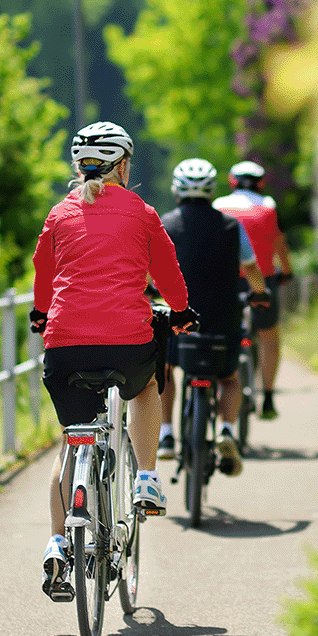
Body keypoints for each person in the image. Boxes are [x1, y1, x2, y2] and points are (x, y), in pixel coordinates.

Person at [31, 121, 197, 602]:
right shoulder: (142, 212)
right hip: (127, 342)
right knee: (147, 387)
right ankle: (146, 477)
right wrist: (182, 311)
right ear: (123, 165)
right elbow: (167, 271)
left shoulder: (59, 214)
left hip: (64, 347)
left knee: (72, 442)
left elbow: (44, 275)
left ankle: (59, 542)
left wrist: (43, 315)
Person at [157, 159, 270, 476]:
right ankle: (226, 430)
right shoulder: (231, 226)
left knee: (165, 370)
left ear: (177, 190)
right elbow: (250, 267)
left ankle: (166, 435)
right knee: (229, 377)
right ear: (211, 191)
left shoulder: (166, 224)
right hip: (223, 316)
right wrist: (261, 293)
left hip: (178, 317)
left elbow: (152, 269)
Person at [213, 160, 294, 420]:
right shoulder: (268, 206)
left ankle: (216, 390)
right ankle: (268, 396)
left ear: (232, 181)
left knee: (221, 332)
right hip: (262, 278)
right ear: (261, 182)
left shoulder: (219, 205)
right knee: (268, 335)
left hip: (225, 279)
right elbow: (278, 241)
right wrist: (287, 270)